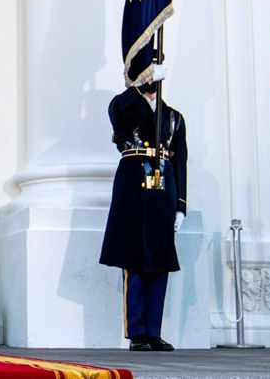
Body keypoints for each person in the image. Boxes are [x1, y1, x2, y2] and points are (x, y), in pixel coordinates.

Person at [99, 66, 187, 352]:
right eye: (145, 77)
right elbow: (116, 111)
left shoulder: (174, 117)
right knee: (134, 260)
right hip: (133, 186)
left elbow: (180, 163)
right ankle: (136, 331)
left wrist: (181, 206)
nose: (151, 82)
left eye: (154, 76)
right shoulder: (125, 107)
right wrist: (137, 85)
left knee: (159, 262)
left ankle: (153, 331)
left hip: (163, 190)